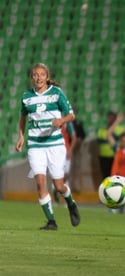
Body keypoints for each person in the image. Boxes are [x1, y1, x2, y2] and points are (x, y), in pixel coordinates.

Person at [15, 63, 80, 230]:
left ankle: (71, 204)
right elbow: (23, 117)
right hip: (35, 145)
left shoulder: (57, 94)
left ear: (47, 77)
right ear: (32, 78)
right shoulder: (26, 96)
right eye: (35, 75)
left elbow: (71, 115)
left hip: (55, 144)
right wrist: (21, 137)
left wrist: (61, 121)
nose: (38, 78)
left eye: (41, 74)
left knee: (59, 186)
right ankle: (51, 221)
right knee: (40, 183)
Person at [97, 111, 125, 182]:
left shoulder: (120, 129)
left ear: (115, 119)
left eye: (113, 118)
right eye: (109, 118)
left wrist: (110, 138)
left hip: (115, 155)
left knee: (115, 175)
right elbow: (101, 141)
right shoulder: (101, 130)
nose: (111, 120)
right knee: (105, 175)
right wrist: (113, 137)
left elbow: (121, 140)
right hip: (104, 156)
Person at [53, 121, 77, 203]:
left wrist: (70, 149)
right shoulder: (51, 121)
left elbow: (74, 138)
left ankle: (57, 189)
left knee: (66, 174)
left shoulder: (67, 124)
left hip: (65, 151)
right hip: (55, 152)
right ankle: (57, 191)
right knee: (57, 174)